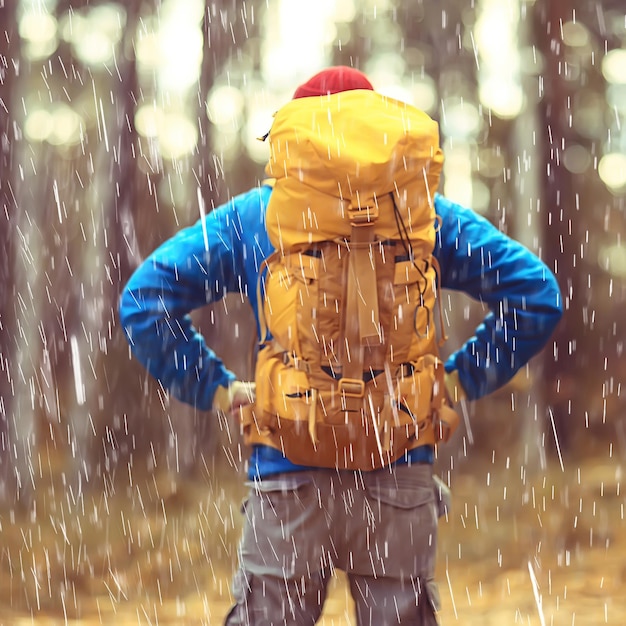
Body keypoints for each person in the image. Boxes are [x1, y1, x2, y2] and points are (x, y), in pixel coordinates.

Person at [119, 67, 562, 625]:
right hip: (398, 467)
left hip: (287, 470)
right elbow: (537, 295)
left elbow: (144, 300)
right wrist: (456, 380)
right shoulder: (421, 217)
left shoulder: (262, 216)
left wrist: (220, 392)